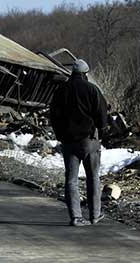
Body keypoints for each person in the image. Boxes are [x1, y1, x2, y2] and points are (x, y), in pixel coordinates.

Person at [50, 59, 108, 227]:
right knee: (93, 177)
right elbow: (102, 115)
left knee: (71, 180)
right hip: (89, 141)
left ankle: (76, 217)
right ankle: (95, 214)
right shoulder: (92, 90)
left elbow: (54, 115)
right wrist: (101, 133)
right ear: (85, 73)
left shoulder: (61, 91)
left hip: (68, 142)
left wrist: (60, 135)